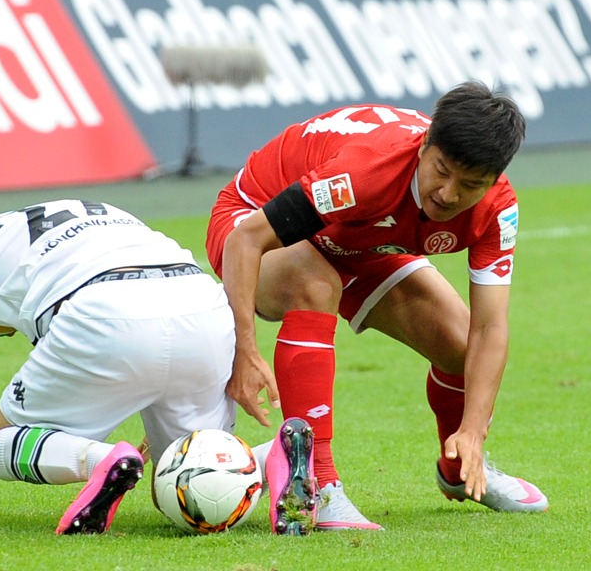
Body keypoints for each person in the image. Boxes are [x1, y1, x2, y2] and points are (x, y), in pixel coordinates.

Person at [0, 198, 314, 534]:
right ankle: (271, 452)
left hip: (101, 309)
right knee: (182, 487)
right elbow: (155, 325)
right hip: (202, 303)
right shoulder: (86, 212)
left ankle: (104, 459)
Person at [206, 80, 550, 531]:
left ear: (495, 179)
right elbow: (247, 240)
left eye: (471, 184)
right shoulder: (365, 171)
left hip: (361, 240)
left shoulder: (498, 209)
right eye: (441, 171)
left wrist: (473, 430)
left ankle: (462, 469)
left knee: (459, 346)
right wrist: (244, 351)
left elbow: (490, 329)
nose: (449, 194)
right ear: (425, 144)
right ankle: (316, 485)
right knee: (315, 283)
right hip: (250, 220)